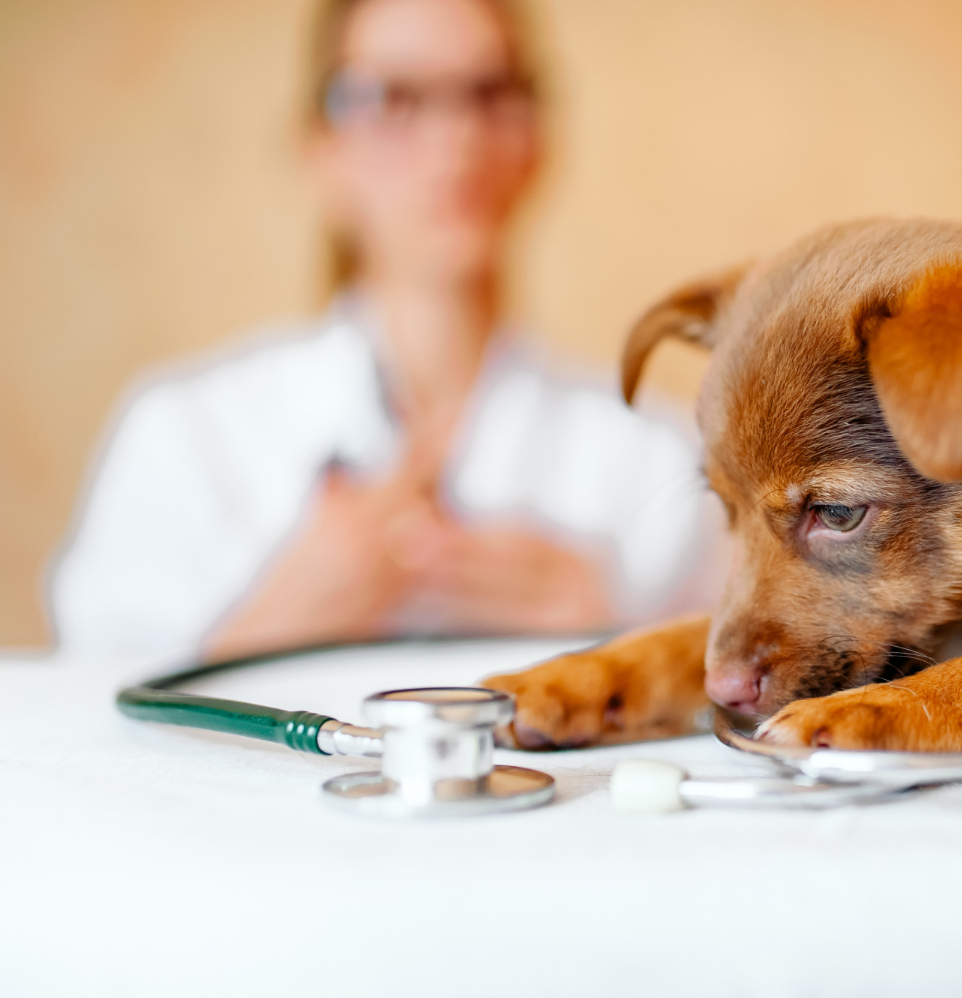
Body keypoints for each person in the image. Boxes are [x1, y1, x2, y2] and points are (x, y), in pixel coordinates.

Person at [50, 0, 718, 665]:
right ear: (319, 150)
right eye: (394, 99)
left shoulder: (657, 458)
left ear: (539, 138)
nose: (455, 140)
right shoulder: (183, 435)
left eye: (489, 93)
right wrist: (264, 635)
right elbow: (89, 725)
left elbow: (740, 707)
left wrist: (615, 640)